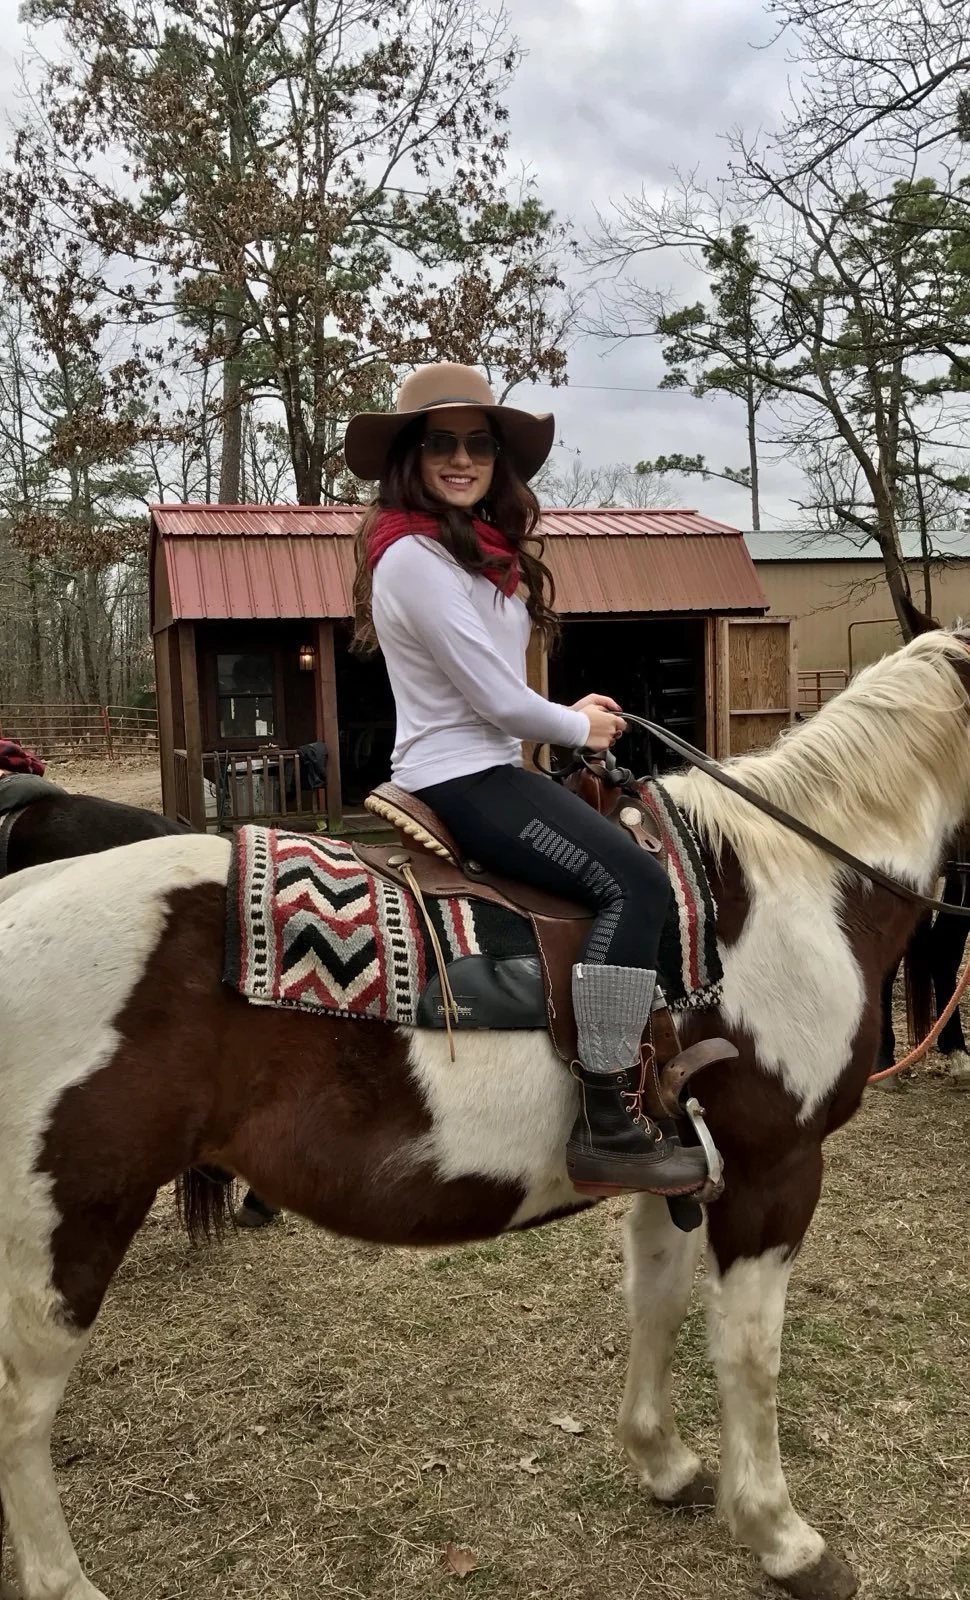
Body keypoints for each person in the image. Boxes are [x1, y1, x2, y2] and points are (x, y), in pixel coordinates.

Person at [343, 363, 707, 1196]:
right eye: (443, 442)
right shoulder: (413, 559)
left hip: (485, 760)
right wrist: (579, 726)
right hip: (462, 777)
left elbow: (497, 691)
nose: (463, 458)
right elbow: (493, 699)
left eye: (479, 443)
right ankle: (607, 1116)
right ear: (413, 454)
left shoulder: (469, 553)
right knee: (636, 885)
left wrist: (567, 708)